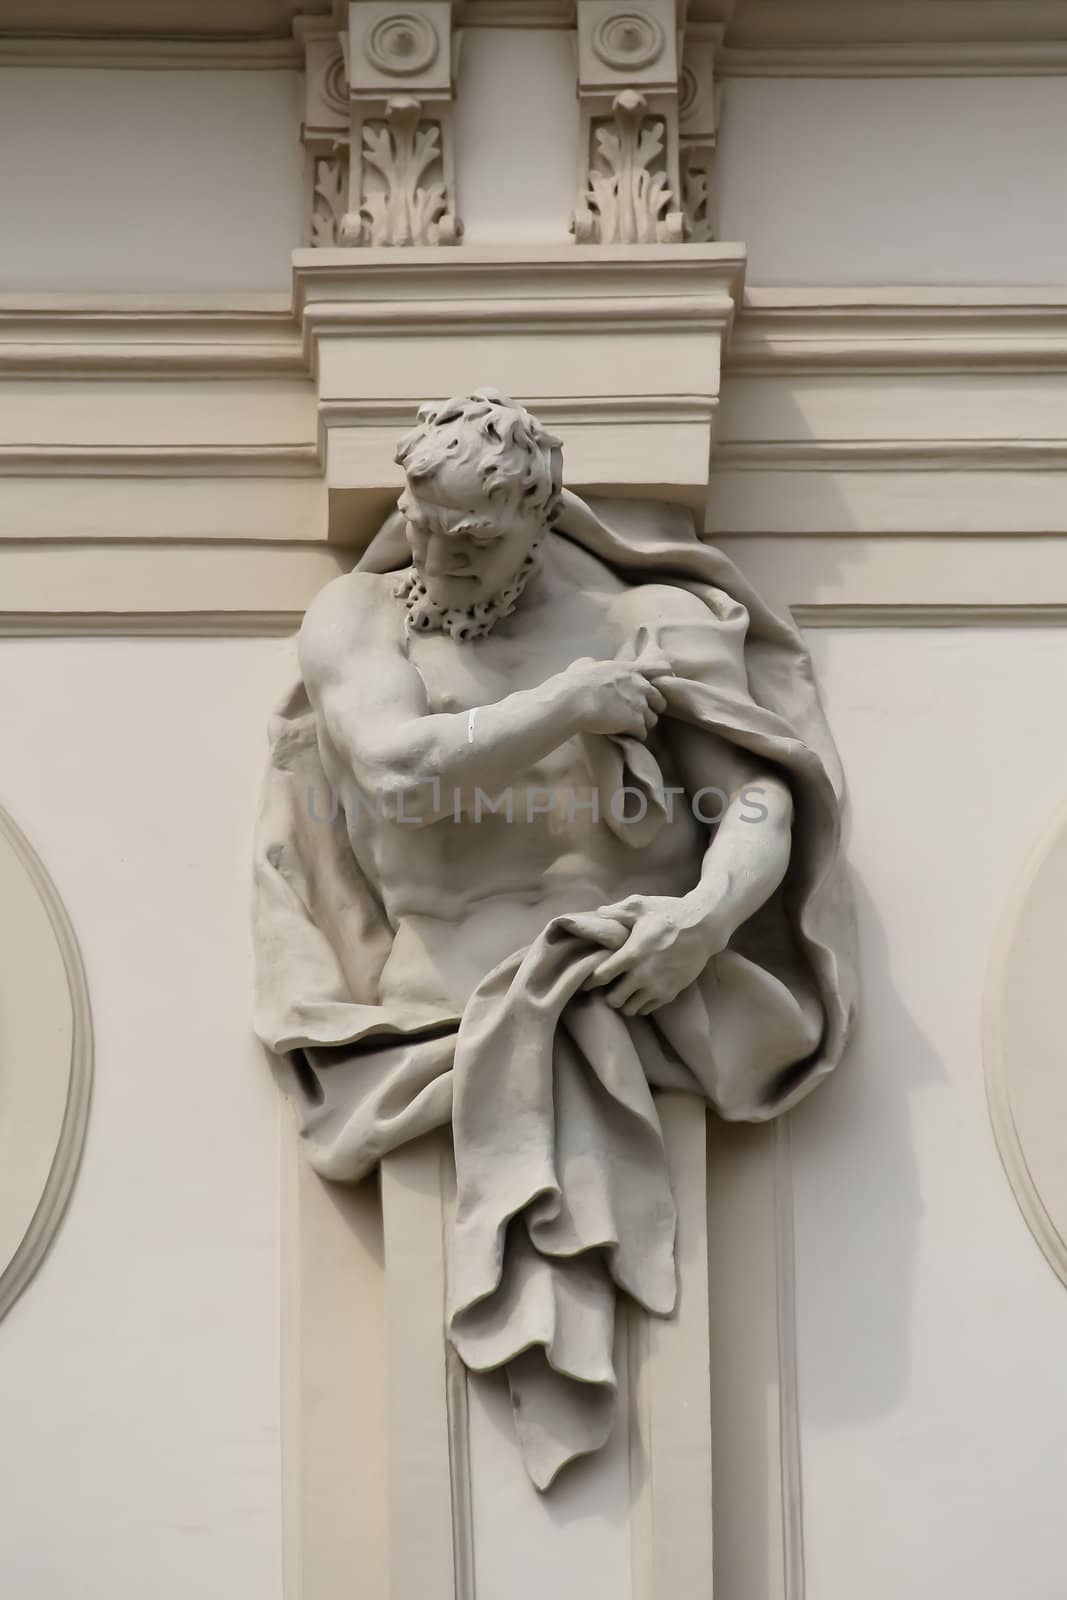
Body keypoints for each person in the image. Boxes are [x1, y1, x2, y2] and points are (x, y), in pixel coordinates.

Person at [254, 389, 855, 1488]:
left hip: (634, 997)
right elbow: (393, 766)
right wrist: (568, 705)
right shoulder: (360, 617)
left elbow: (758, 804)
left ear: (541, 519)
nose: (438, 555)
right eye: (422, 522)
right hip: (419, 1017)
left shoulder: (642, 623)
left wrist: (703, 917)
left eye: (474, 538)